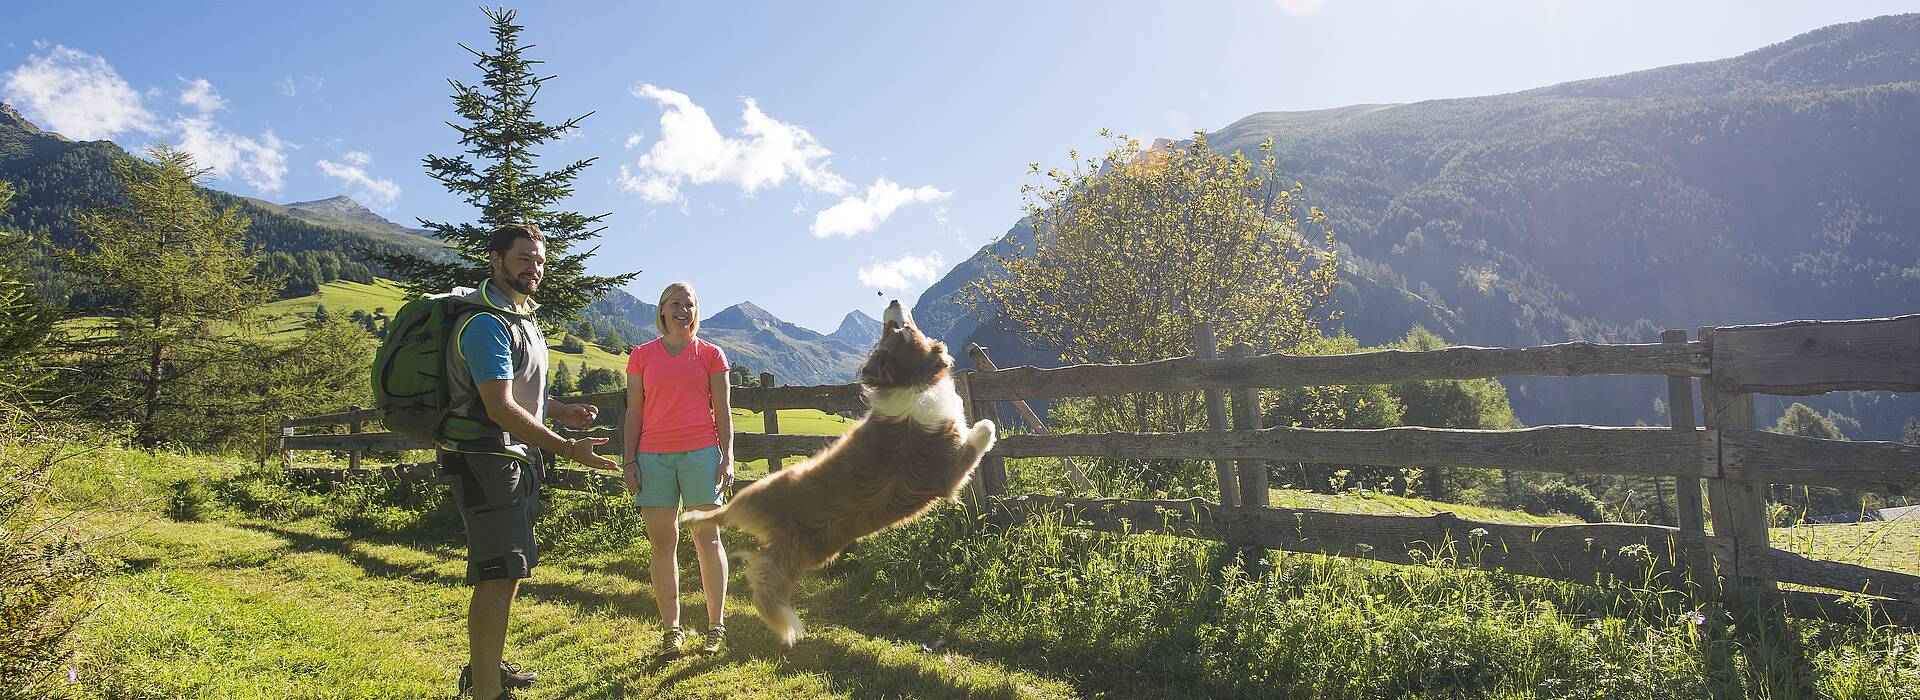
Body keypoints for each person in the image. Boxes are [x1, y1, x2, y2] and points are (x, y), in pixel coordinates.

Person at [440, 223, 616, 699]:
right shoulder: (485, 325)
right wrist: (566, 447)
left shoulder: (521, 320)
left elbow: (521, 394)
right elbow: (498, 406)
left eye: (539, 261)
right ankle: (487, 692)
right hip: (486, 459)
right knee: (498, 574)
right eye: (523, 259)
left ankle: (486, 669)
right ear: (495, 261)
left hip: (513, 459)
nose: (534, 268)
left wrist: (560, 411)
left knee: (509, 569)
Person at [620, 281, 735, 657]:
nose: (683, 309)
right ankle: (672, 630)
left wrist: (727, 456)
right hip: (653, 457)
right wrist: (629, 459)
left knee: (708, 539)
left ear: (695, 311)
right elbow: (634, 412)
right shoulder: (641, 355)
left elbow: (724, 412)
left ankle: (715, 627)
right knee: (662, 543)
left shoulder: (711, 354)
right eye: (675, 303)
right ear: (663, 310)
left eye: (689, 304)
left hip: (702, 454)